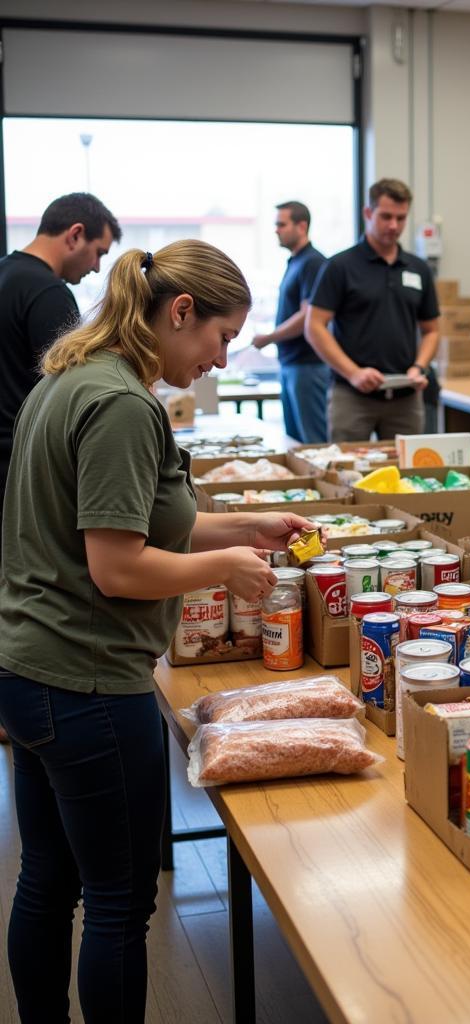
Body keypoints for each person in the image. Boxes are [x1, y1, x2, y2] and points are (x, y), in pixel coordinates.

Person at [0, 240, 317, 1023]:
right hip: (88, 680)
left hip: (29, 668)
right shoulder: (122, 406)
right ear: (181, 313)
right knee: (117, 903)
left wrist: (252, 524)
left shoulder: (73, 377)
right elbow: (118, 566)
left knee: (46, 875)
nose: (220, 358)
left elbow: (142, 518)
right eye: (220, 338)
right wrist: (230, 569)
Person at [0, 192, 121, 530]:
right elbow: (76, 388)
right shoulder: (47, 292)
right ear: (75, 234)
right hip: (19, 463)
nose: (97, 267)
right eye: (98, 252)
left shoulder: (5, 273)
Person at [305, 178, 440, 440]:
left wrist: (420, 367)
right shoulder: (340, 266)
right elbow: (314, 326)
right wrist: (353, 373)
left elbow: (432, 331)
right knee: (346, 475)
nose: (394, 225)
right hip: (352, 396)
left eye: (401, 218)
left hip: (406, 397)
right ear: (368, 213)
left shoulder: (418, 268)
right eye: (386, 216)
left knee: (408, 475)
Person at [251, 201, 329, 443]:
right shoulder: (295, 262)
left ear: (301, 226)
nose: (276, 230)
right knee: (295, 441)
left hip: (308, 365)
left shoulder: (313, 262)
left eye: (281, 224)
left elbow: (308, 315)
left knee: (313, 443)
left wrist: (269, 338)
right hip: (291, 364)